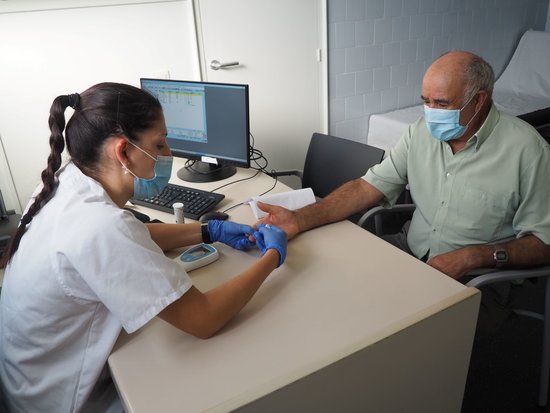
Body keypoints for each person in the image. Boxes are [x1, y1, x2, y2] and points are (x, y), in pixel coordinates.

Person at [0, 82, 287, 413]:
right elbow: (204, 319)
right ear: (122, 152)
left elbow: (133, 235)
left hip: (25, 379)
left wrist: (211, 230)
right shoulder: (100, 225)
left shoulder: (66, 180)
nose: (168, 155)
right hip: (58, 401)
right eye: (160, 144)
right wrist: (272, 257)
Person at [257, 50, 550, 334]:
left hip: (480, 279)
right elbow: (366, 187)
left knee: (392, 328)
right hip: (410, 251)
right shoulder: (421, 131)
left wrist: (473, 256)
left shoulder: (528, 151)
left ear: (479, 101)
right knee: (332, 280)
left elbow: (544, 243)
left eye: (442, 103)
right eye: (426, 101)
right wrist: (299, 219)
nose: (431, 112)